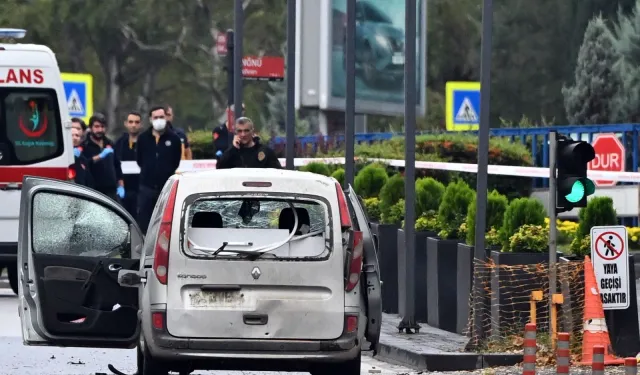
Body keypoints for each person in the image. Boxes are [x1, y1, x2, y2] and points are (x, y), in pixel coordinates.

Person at [136, 105, 182, 234]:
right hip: (147, 187)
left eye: (161, 117)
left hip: (166, 187)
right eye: (156, 117)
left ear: (167, 117)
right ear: (150, 119)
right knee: (145, 220)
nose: (159, 120)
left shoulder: (174, 139)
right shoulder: (143, 138)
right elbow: (140, 160)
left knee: (166, 220)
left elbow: (175, 161)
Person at [80, 113, 125, 202]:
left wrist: (121, 186)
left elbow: (117, 166)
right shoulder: (84, 146)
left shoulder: (110, 143)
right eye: (96, 126)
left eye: (102, 126)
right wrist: (99, 157)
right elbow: (84, 165)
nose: (100, 129)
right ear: (90, 127)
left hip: (111, 191)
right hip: (94, 191)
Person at [217, 117, 281, 169]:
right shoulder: (232, 152)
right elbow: (220, 168)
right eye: (240, 131)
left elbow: (278, 172)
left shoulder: (265, 151)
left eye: (246, 130)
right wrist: (233, 148)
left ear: (252, 131)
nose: (243, 134)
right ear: (235, 132)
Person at [114, 111, 142, 218]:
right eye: (131, 122)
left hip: (141, 187)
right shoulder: (120, 143)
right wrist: (120, 183)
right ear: (126, 123)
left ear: (140, 124)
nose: (133, 125)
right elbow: (115, 164)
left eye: (136, 122)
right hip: (124, 187)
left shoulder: (146, 142)